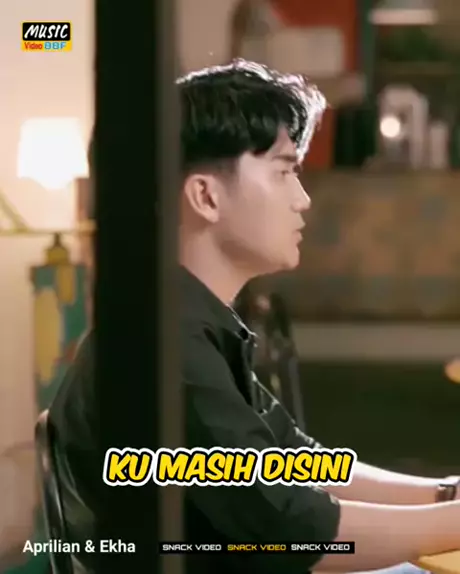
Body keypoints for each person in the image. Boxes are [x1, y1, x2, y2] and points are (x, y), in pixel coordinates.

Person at [49, 59, 460, 574]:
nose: (303, 199)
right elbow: (298, 532)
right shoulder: (167, 346)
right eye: (284, 172)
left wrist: (446, 494)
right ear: (205, 196)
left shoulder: (185, 321)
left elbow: (294, 462)